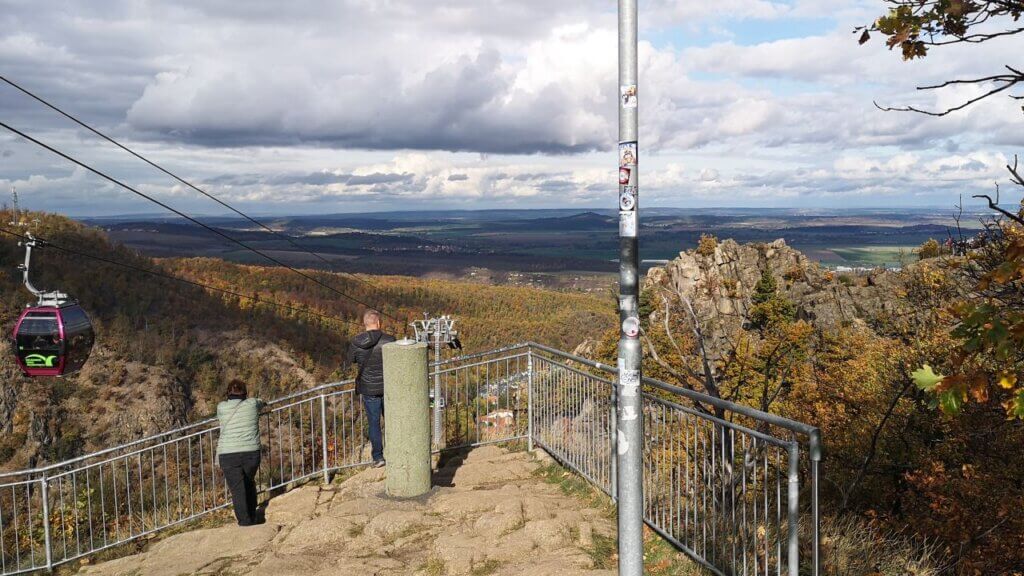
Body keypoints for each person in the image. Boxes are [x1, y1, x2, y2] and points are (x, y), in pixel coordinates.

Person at [348, 310, 395, 467]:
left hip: (369, 389)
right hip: (388, 387)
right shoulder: (389, 340)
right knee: (392, 420)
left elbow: (351, 359)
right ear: (379, 323)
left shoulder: (356, 342)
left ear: (365, 324)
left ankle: (378, 457)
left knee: (374, 423)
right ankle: (396, 451)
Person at [216, 379, 265, 526]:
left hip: (228, 454)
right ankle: (253, 515)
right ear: (245, 393)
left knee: (238, 489)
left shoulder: (221, 407)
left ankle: (245, 521)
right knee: (249, 482)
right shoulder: (252, 404)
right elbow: (261, 402)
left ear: (228, 393)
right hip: (251, 453)